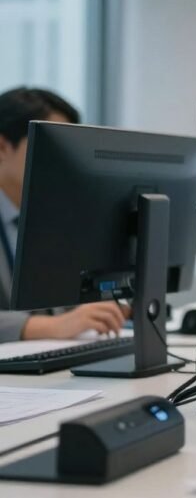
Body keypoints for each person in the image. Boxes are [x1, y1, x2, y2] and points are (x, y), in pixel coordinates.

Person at [0, 87, 130, 342]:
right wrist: (45, 327)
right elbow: (61, 321)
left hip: (52, 356)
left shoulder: (59, 217)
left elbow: (79, 298)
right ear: (2, 147)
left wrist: (115, 302)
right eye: (51, 147)